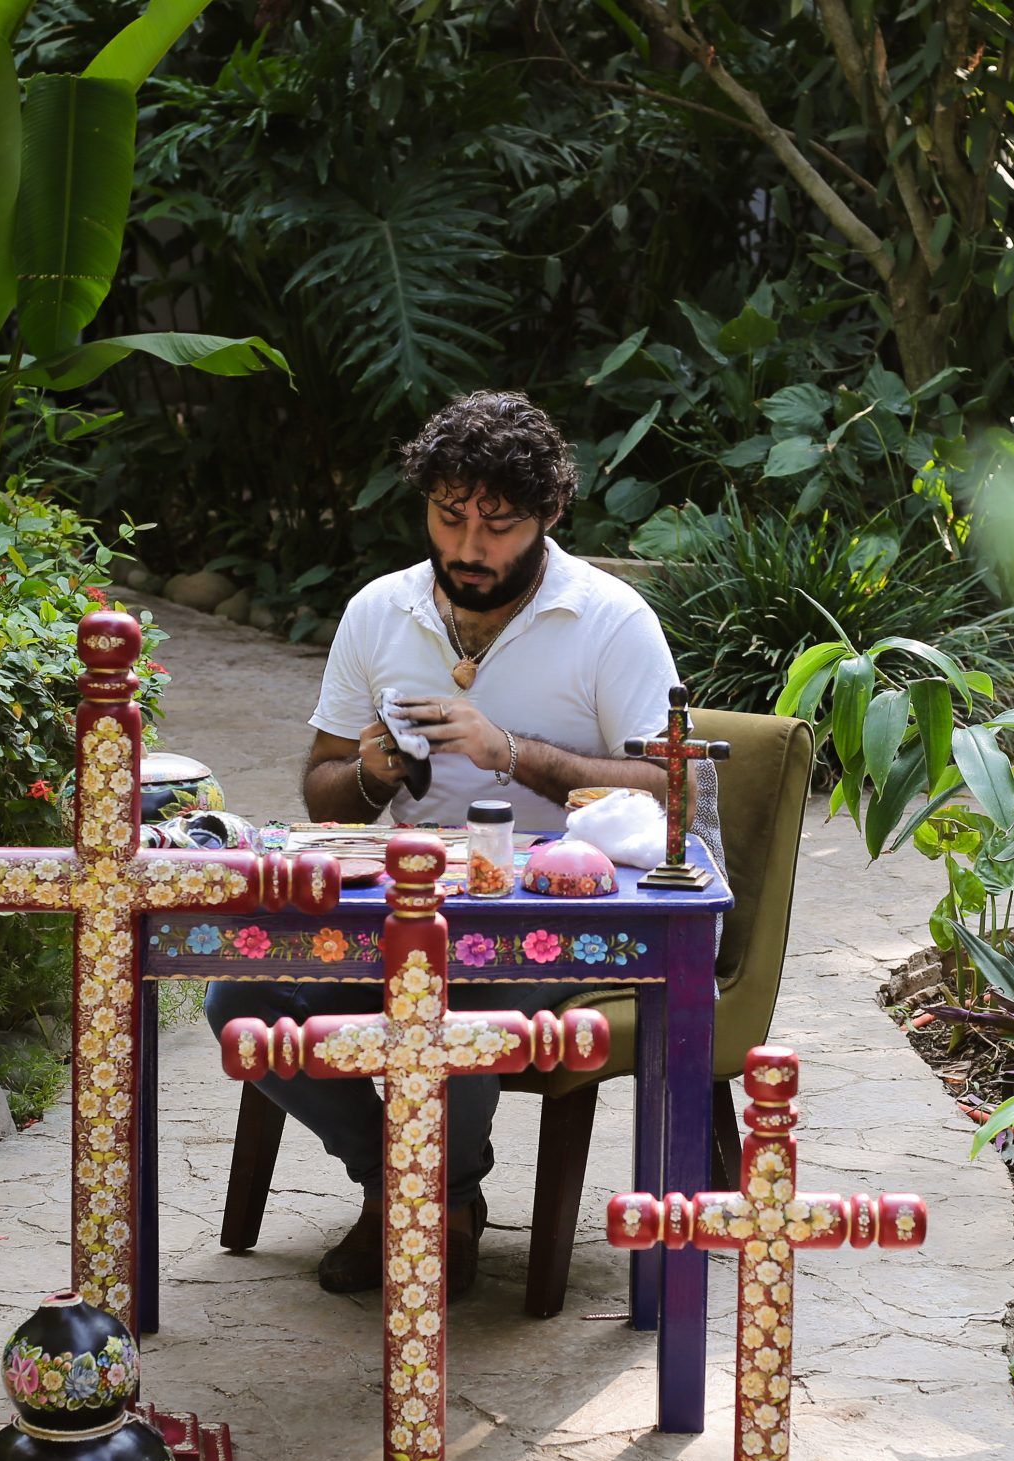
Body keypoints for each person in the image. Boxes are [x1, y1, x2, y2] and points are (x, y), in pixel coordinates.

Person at [205, 390, 686, 1300]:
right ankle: (412, 1187)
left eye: (498, 525)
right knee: (241, 991)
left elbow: (676, 790)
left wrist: (513, 753)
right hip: (410, 898)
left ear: (548, 513)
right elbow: (323, 788)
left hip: (559, 914)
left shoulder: (611, 619)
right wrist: (379, 774)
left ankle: (435, 1208)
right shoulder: (380, 612)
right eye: (449, 516)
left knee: (445, 996)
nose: (468, 548)